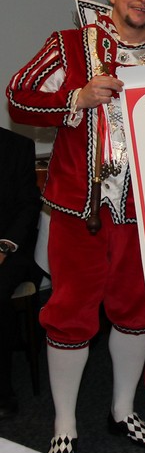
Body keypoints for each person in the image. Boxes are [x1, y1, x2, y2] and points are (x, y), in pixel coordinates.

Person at [6, 0, 145, 453]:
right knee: (70, 313)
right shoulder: (68, 46)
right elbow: (17, 95)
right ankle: (64, 422)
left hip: (142, 214)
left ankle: (122, 411)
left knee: (135, 311)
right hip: (76, 211)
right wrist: (77, 99)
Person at [0, 127, 46, 420]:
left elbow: (29, 205)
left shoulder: (17, 146)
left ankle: (2, 391)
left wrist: (4, 247)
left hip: (9, 247)